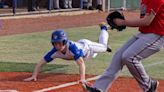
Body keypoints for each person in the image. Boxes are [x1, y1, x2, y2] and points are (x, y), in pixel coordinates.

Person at [85, 0, 164, 92]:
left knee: (129, 57)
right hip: (144, 33)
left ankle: (149, 85)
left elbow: (147, 21)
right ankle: (99, 88)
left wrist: (123, 22)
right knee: (118, 56)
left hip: (158, 35)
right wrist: (120, 23)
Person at [24, 23, 112, 84]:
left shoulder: (72, 48)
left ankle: (104, 28)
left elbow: (81, 63)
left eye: (59, 43)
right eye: (55, 43)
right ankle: (99, 42)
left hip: (88, 47)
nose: (57, 45)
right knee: (96, 52)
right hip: (86, 55)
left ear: (64, 41)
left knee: (104, 47)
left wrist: (82, 79)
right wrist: (34, 76)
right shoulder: (54, 52)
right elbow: (41, 62)